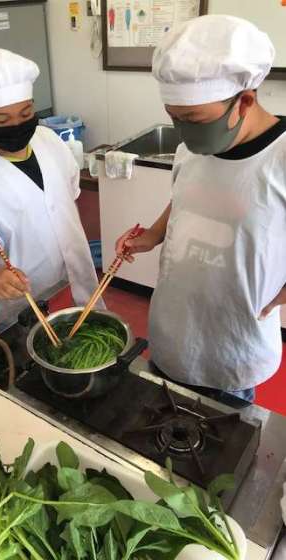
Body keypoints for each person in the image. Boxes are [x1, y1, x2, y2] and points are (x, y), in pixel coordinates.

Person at [116, 15, 286, 402]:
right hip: (173, 329)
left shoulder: (280, 157)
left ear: (245, 101)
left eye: (193, 119)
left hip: (234, 345)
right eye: (174, 118)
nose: (184, 131)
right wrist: (154, 234)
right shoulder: (190, 149)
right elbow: (185, 196)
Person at [0, 49, 102, 322]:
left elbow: (68, 193)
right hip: (27, 289)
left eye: (26, 112)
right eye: (2, 120)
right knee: (38, 341)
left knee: (93, 328)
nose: (17, 125)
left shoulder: (48, 139)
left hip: (78, 272)